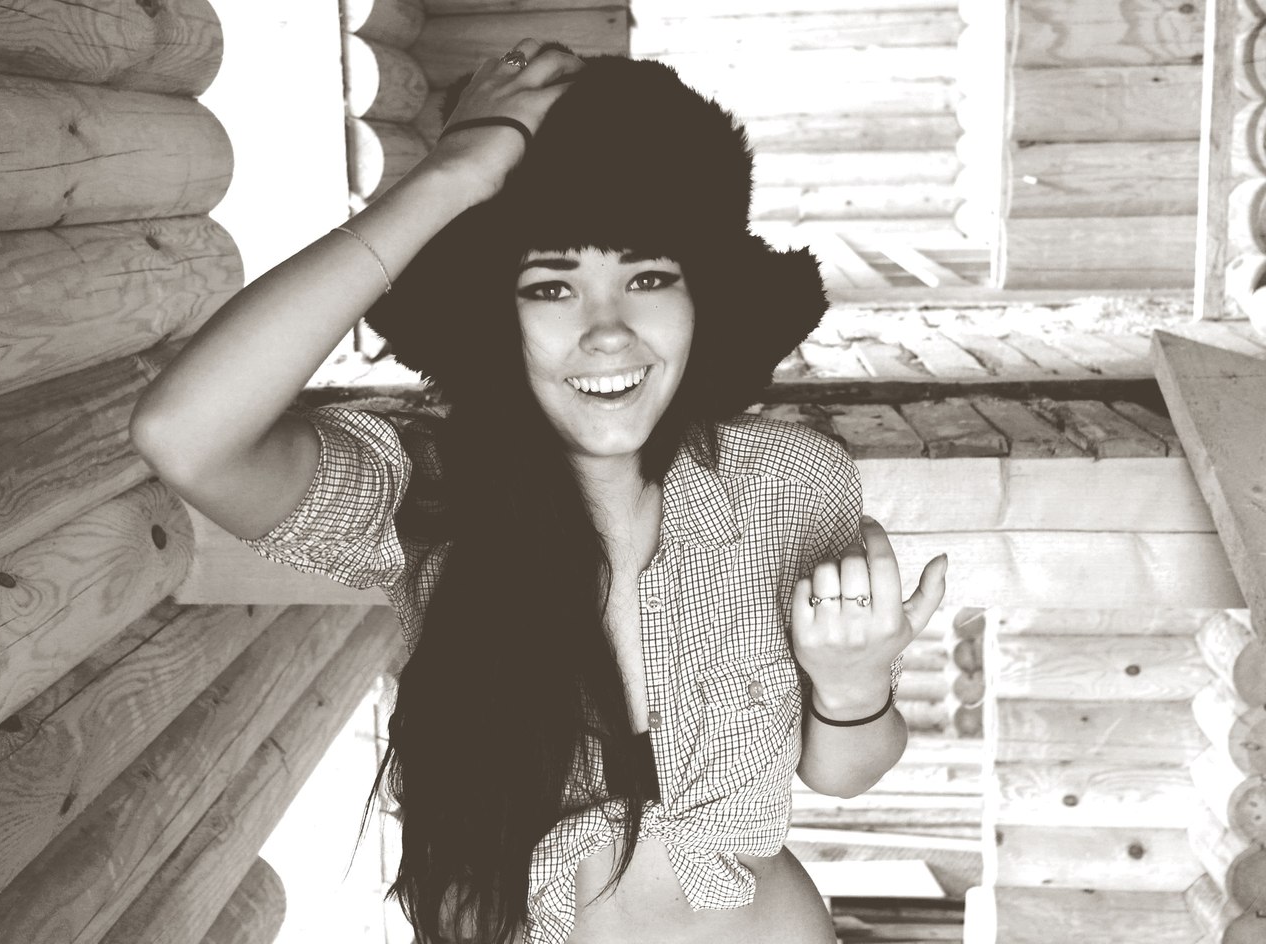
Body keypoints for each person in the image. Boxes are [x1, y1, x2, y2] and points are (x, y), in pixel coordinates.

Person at [130, 40, 948, 944]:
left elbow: (844, 772)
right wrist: (452, 175)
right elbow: (185, 435)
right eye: (551, 285)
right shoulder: (424, 490)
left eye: (648, 277)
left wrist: (852, 682)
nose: (608, 332)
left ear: (702, 297)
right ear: (496, 313)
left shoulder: (793, 482)